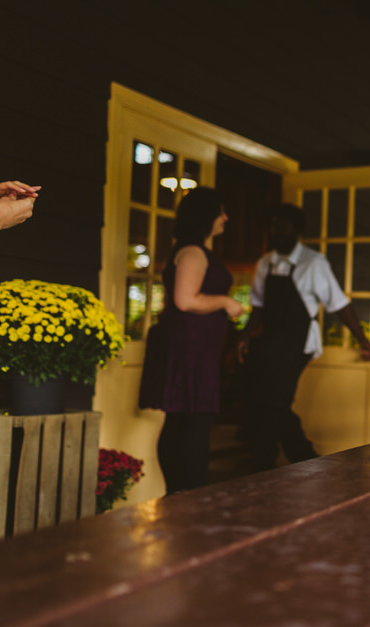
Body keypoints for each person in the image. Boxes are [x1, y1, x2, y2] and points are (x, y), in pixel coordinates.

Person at [237, 203, 370, 471]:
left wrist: (361, 338)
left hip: (298, 343)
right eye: (274, 226)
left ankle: (274, 463)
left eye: (284, 227)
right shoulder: (265, 263)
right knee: (268, 403)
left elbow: (339, 304)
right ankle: (301, 463)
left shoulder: (313, 263)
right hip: (270, 341)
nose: (278, 232)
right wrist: (244, 335)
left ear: (298, 230)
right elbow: (258, 308)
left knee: (274, 400)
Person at [139, 187, 244, 494]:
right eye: (221, 212)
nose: (226, 218)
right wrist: (225, 302)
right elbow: (185, 300)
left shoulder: (194, 251)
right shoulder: (193, 252)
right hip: (190, 350)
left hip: (194, 348)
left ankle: (180, 495)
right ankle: (187, 496)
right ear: (207, 216)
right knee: (191, 422)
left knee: (184, 420)